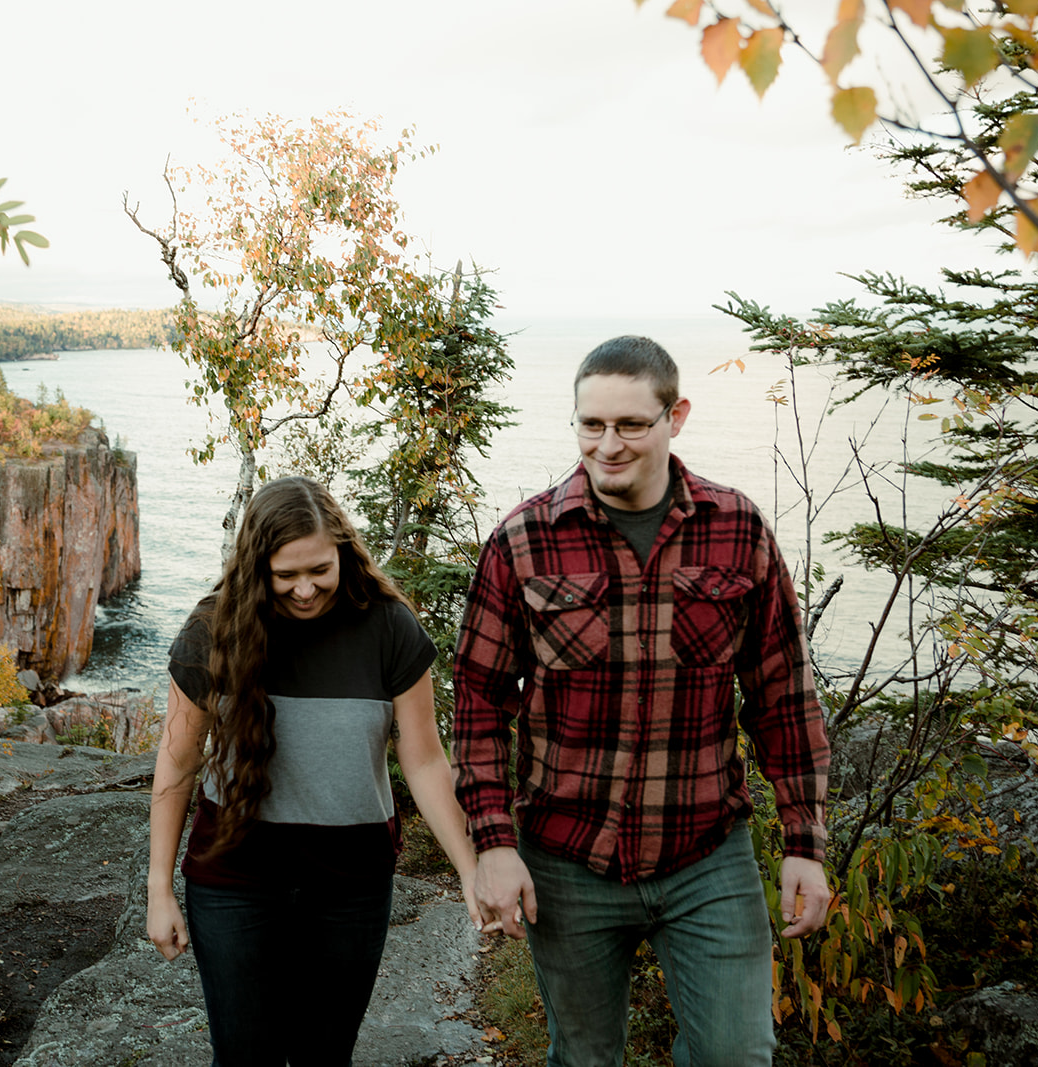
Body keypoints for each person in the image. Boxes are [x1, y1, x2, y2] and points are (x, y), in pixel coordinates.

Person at [452, 336, 832, 1067]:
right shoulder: (522, 540)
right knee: (586, 1057)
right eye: (591, 424)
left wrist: (804, 844)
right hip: (566, 857)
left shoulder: (738, 529)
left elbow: (782, 694)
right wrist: (494, 843)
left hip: (706, 853)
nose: (609, 443)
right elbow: (477, 703)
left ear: (676, 416)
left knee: (736, 1054)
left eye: (631, 423)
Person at [147, 475, 480, 1067]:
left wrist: (471, 870)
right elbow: (176, 765)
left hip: (351, 886)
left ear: (344, 552)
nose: (305, 590)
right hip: (234, 883)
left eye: (319, 570)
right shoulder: (211, 631)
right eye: (286, 575)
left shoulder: (389, 628)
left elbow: (425, 758)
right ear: (257, 567)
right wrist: (158, 890)